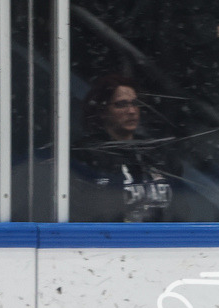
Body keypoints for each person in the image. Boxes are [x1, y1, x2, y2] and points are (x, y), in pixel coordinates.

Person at [70, 74, 181, 222]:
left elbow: (178, 207)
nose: (131, 111)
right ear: (103, 111)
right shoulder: (86, 154)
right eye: (121, 104)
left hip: (158, 241)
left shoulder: (156, 153)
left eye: (135, 103)